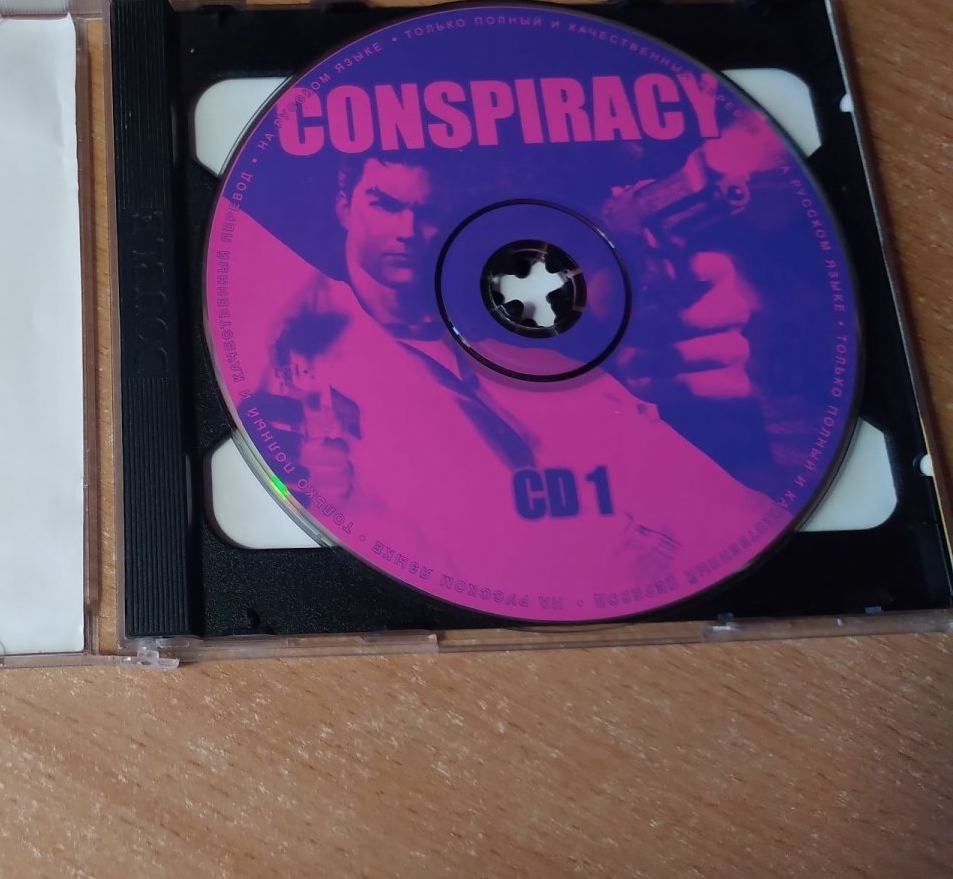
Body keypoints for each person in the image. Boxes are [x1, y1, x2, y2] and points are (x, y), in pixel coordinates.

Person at [237, 139, 784, 597]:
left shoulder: (544, 372)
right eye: (385, 204)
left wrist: (736, 415)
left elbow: (744, 525)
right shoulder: (291, 311)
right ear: (344, 205)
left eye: (428, 212)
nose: (408, 229)